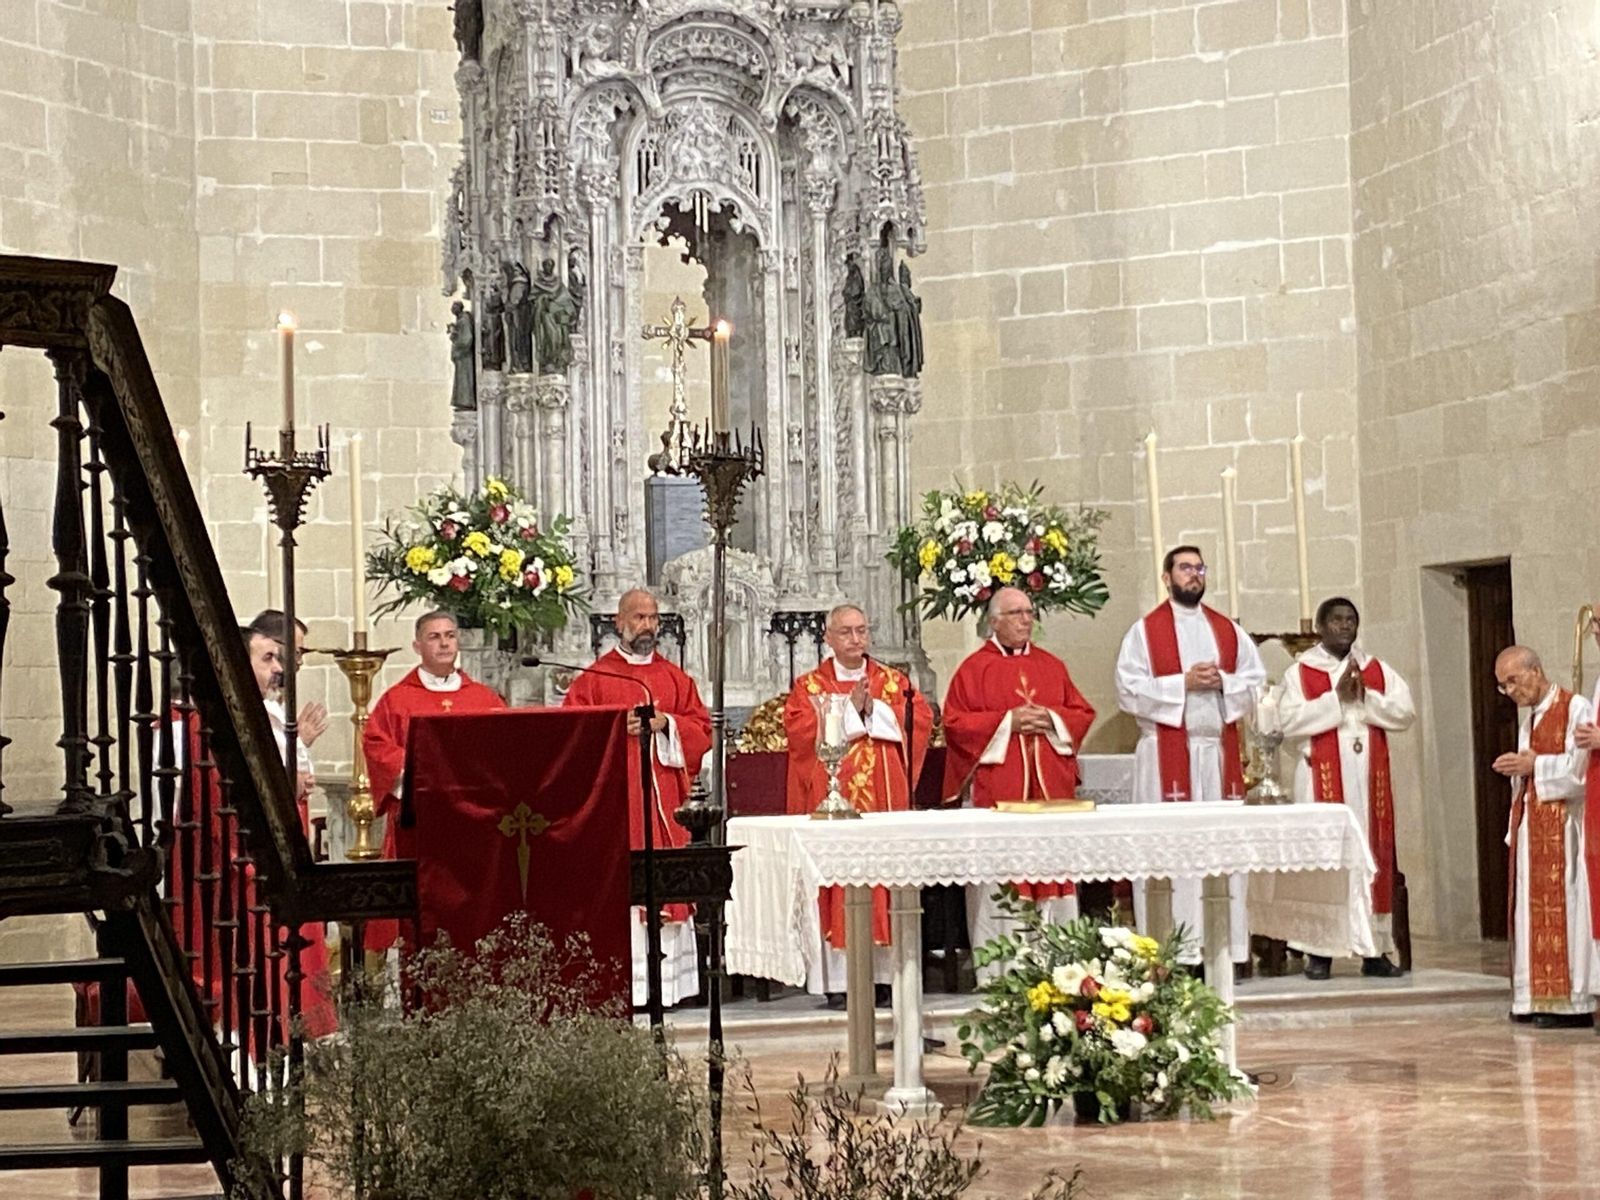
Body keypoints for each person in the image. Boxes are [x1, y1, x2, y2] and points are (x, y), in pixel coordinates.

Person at [1114, 546, 1265, 968]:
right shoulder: (1144, 632)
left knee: (1221, 851)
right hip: (1164, 758)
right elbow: (1127, 690)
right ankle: (1169, 951)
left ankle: (1223, 949)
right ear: (1166, 578)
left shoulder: (1228, 631)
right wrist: (1182, 682)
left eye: (1199, 568)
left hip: (1217, 756)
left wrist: (1224, 682)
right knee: (1169, 852)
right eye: (1185, 568)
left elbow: (1256, 683)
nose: (1194, 575)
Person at [562, 589, 712, 1008]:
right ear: (619, 621)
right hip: (618, 806)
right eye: (639, 617)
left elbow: (702, 729)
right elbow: (572, 738)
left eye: (653, 618)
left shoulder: (675, 678)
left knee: (665, 884)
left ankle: (669, 988)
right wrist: (613, 728)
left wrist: (668, 725)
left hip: (665, 804)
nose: (647, 625)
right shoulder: (595, 678)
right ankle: (628, 988)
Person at [783, 604, 932, 1001]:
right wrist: (846, 708)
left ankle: (885, 978)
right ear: (828, 638)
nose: (856, 639)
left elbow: (922, 721)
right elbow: (798, 732)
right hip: (832, 802)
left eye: (862, 631)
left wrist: (874, 709)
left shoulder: (892, 680)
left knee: (884, 878)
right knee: (839, 881)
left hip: (885, 800)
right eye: (846, 632)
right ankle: (838, 983)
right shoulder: (809, 686)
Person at [942, 585, 1096, 952]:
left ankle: (1061, 961)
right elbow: (955, 724)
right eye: (1016, 613)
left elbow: (1083, 713)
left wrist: (1052, 718)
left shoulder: (1051, 666)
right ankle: (1003, 966)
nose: (1026, 619)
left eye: (1029, 612)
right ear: (994, 621)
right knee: (1004, 873)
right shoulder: (973, 670)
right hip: (1001, 788)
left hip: (1051, 792)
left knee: (1054, 870)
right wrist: (1007, 722)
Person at [1276, 597, 1414, 979]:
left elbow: (1405, 713)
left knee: (1372, 857)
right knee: (1324, 858)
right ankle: (1319, 952)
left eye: (1351, 620)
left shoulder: (1375, 668)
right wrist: (1334, 701)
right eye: (1336, 620)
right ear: (1320, 627)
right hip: (1320, 778)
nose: (1344, 626)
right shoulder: (1300, 673)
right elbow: (1286, 723)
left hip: (1370, 780)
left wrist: (1366, 697)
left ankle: (1373, 950)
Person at [363, 611, 506, 950]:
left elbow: (504, 747)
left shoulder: (484, 699)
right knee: (419, 916)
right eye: (434, 637)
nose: (444, 643)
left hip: (474, 828)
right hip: (418, 827)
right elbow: (376, 744)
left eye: (450, 635)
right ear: (417, 645)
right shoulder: (397, 700)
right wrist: (421, 775)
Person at [1492, 645, 1600, 1027]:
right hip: (1534, 824)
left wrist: (1534, 764)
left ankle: (1570, 1004)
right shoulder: (1530, 718)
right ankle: (1531, 998)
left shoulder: (1576, 708)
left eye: (1513, 681)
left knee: (1566, 909)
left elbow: (1581, 772)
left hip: (1565, 828)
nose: (1511, 692)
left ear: (1535, 670)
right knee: (1530, 914)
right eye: (1503, 686)